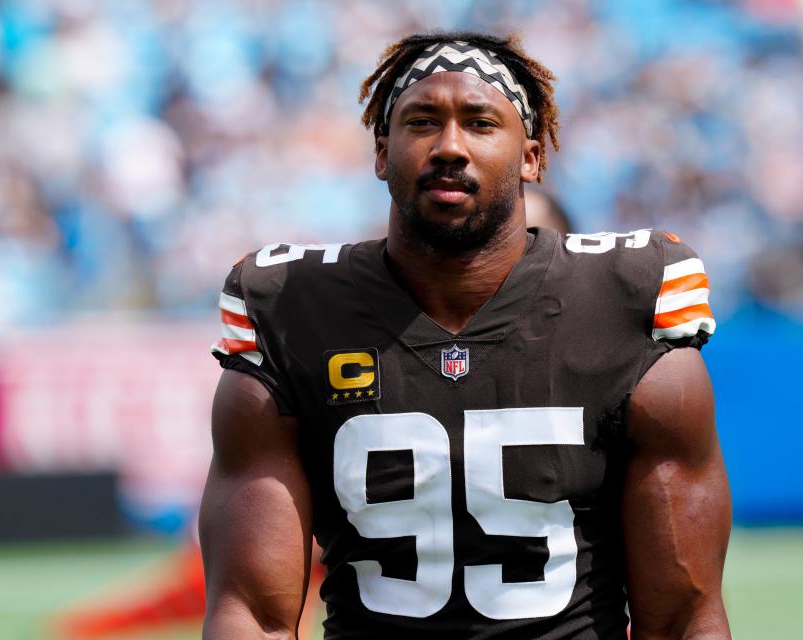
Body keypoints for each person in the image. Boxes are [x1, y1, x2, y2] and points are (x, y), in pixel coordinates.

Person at [201, 32, 732, 640]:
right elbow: (253, 615)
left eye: (480, 123)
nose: (449, 147)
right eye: (422, 121)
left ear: (531, 157)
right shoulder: (291, 307)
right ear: (382, 153)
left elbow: (683, 618)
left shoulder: (624, 300)